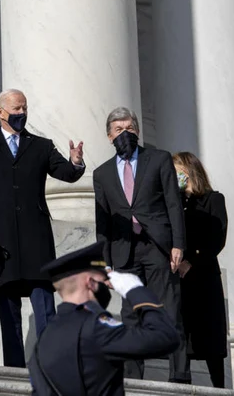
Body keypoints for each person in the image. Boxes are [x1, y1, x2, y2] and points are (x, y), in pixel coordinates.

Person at [0, 89, 85, 368]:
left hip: (36, 237)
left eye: (25, 108)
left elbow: (67, 174)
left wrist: (76, 161)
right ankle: (15, 369)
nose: (22, 113)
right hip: (0, 236)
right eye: (17, 108)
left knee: (44, 304)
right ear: (1, 112)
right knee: (8, 308)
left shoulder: (42, 145)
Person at [92, 106, 189, 382]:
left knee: (169, 312)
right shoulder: (102, 174)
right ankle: (134, 379)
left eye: (130, 129)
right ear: (109, 136)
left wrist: (178, 244)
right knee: (131, 315)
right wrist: (104, 263)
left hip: (159, 247)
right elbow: (103, 222)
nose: (125, 134)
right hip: (124, 253)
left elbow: (174, 204)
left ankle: (180, 375)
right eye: (119, 130)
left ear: (138, 131)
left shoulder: (158, 159)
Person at [27, 242, 181, 395]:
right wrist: (136, 290)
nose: (108, 286)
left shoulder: (44, 340)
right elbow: (166, 336)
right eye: (105, 279)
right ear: (91, 283)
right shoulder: (97, 328)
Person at [172, 151, 228, 388]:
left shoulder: (213, 199)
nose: (175, 177)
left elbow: (217, 238)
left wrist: (192, 261)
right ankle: (182, 384)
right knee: (182, 334)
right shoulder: (175, 204)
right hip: (180, 279)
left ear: (190, 171)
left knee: (211, 338)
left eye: (178, 172)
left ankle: (219, 388)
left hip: (203, 276)